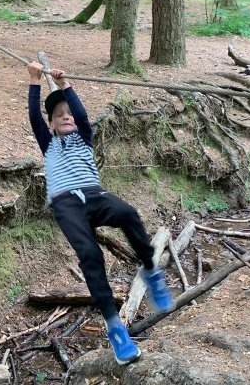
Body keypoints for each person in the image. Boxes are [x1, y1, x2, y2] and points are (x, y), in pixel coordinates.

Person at [26, 61, 174, 365]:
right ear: (51, 126)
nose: (65, 117)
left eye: (67, 115)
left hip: (95, 195)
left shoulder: (83, 138)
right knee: (91, 256)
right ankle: (115, 327)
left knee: (129, 213)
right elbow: (33, 117)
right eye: (57, 116)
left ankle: (149, 267)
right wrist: (33, 82)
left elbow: (80, 113)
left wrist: (66, 84)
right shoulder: (49, 144)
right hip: (66, 204)